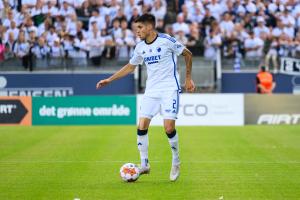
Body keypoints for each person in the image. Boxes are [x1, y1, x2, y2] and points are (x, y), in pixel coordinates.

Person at [96, 14, 195, 181]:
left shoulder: (166, 40)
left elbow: (188, 54)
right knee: (141, 126)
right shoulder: (140, 47)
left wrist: (187, 78)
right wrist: (109, 80)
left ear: (150, 27)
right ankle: (144, 164)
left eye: (140, 28)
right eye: (136, 29)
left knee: (169, 128)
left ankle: (176, 160)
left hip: (169, 89)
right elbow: (130, 67)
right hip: (151, 91)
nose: (137, 31)